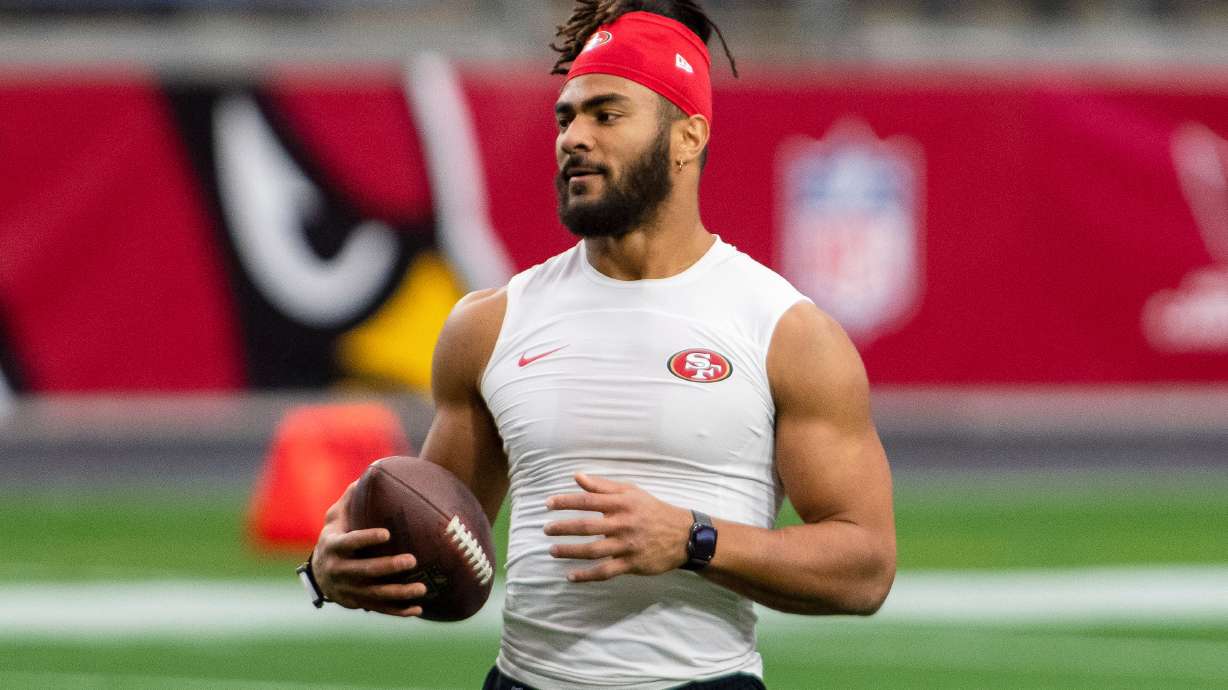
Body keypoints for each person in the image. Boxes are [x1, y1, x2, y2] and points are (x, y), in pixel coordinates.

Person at [304, 2, 896, 688]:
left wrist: (694, 540)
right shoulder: (490, 324)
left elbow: (866, 569)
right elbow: (443, 559)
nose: (573, 138)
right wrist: (337, 570)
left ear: (687, 137)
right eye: (566, 117)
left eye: (606, 115)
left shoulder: (785, 332)